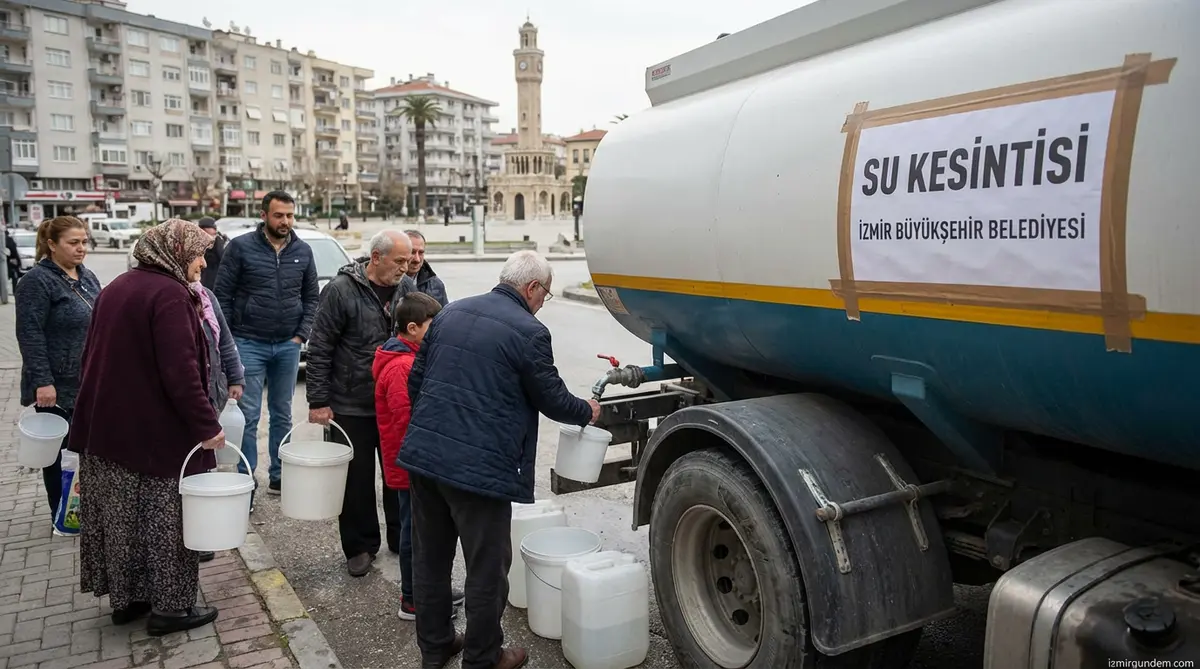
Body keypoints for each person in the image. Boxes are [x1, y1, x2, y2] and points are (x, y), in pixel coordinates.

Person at [399, 250, 602, 669]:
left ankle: (435, 647)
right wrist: (587, 410)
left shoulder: (452, 313)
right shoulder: (530, 331)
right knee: (487, 570)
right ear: (531, 288)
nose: (544, 301)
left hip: (426, 459)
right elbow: (552, 398)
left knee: (430, 559)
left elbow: (416, 383)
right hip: (478, 473)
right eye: (544, 293)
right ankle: (483, 658)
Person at [69, 219, 227, 635]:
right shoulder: (171, 295)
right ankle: (172, 609)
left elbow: (91, 355)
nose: (203, 263)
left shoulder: (118, 286)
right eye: (199, 253)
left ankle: (129, 601)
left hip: (107, 430)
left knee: (122, 521)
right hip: (156, 435)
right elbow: (181, 373)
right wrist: (207, 426)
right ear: (177, 251)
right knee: (167, 520)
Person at [307, 230, 417, 576]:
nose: (406, 266)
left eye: (408, 259)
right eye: (399, 261)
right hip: (350, 401)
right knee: (355, 480)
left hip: (395, 401)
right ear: (376, 258)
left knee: (399, 475)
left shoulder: (407, 290)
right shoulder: (340, 290)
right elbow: (320, 346)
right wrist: (319, 400)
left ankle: (402, 539)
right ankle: (359, 547)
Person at [215, 191, 319, 501]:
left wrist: (301, 335)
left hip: (288, 345)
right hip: (248, 343)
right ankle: (246, 482)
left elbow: (312, 297)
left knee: (282, 413)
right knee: (247, 416)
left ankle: (279, 477)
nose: (285, 221)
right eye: (278, 215)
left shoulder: (303, 250)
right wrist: (230, 342)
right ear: (264, 215)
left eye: (289, 215)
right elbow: (222, 297)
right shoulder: (240, 248)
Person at [374, 293, 466, 621]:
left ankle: (429, 591)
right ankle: (414, 600)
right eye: (432, 326)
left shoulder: (411, 357)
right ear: (412, 328)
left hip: (413, 462)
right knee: (417, 536)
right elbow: (407, 421)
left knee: (422, 532)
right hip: (411, 464)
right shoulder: (401, 367)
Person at [14, 216, 101, 522]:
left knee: (87, 451)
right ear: (51, 245)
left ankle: (85, 509)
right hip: (56, 386)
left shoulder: (86, 277)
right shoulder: (36, 281)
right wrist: (42, 382)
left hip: (88, 380)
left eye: (84, 242)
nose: (81, 249)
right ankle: (62, 513)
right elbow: (30, 334)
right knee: (60, 455)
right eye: (73, 243)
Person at [404, 230, 448, 306]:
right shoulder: (386, 282)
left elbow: (445, 316)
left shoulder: (435, 285)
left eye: (421, 253)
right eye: (412, 252)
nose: (417, 259)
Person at [197, 217, 227, 291]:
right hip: (203, 278)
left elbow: (223, 258)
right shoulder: (197, 242)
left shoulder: (219, 241)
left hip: (215, 277)